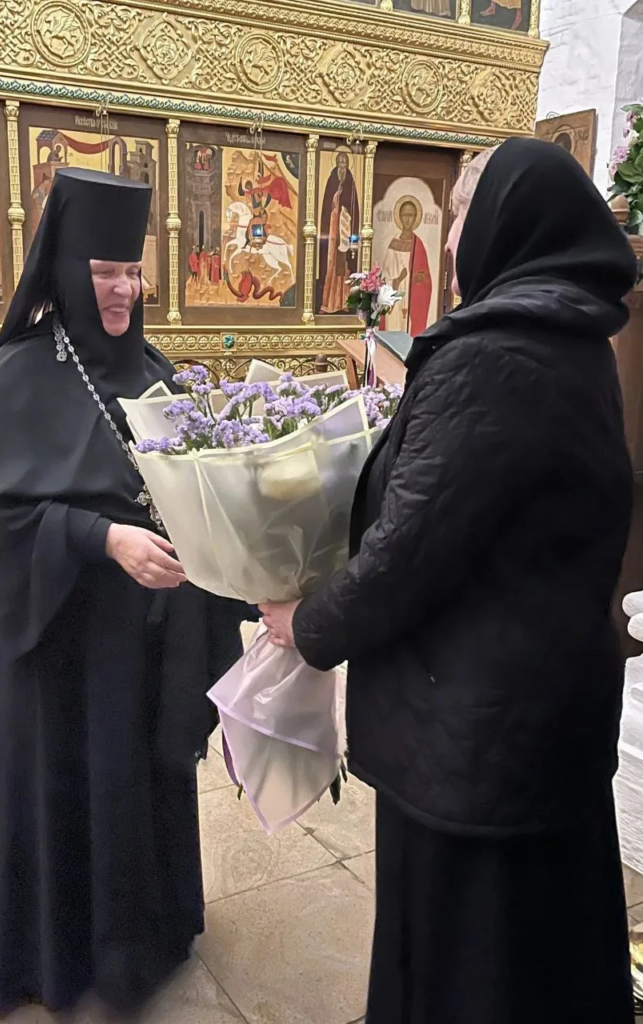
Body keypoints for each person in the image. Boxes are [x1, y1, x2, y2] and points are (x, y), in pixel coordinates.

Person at [260, 138, 637, 1023]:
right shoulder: (575, 338)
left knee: (468, 953)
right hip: (540, 713)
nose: (452, 232)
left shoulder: (492, 355)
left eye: (461, 210)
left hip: (473, 729)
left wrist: (305, 625)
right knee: (537, 945)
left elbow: (409, 551)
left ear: (507, 220)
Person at [0, 167, 249, 1017]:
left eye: (132, 271)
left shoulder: (155, 370)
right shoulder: (19, 375)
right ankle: (58, 958)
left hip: (142, 639)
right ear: (69, 271)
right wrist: (103, 538)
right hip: (58, 647)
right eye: (104, 272)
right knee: (70, 789)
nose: (121, 289)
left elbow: (195, 484)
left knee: (134, 785)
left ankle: (144, 941)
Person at [382, 198, 433, 335]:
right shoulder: (394, 243)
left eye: (411, 215)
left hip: (411, 299)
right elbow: (385, 274)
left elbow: (426, 279)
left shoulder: (418, 245)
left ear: (415, 218)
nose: (407, 219)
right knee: (393, 328)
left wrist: (414, 278)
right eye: (405, 215)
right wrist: (396, 280)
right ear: (400, 217)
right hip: (394, 296)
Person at [319, 151, 361, 314]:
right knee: (331, 264)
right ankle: (328, 303)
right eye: (340, 163)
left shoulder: (350, 181)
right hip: (332, 230)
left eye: (344, 163)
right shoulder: (331, 180)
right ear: (336, 164)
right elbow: (326, 206)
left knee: (344, 266)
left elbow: (354, 208)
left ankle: (344, 302)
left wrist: (346, 215)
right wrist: (336, 200)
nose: (342, 166)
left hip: (345, 229)